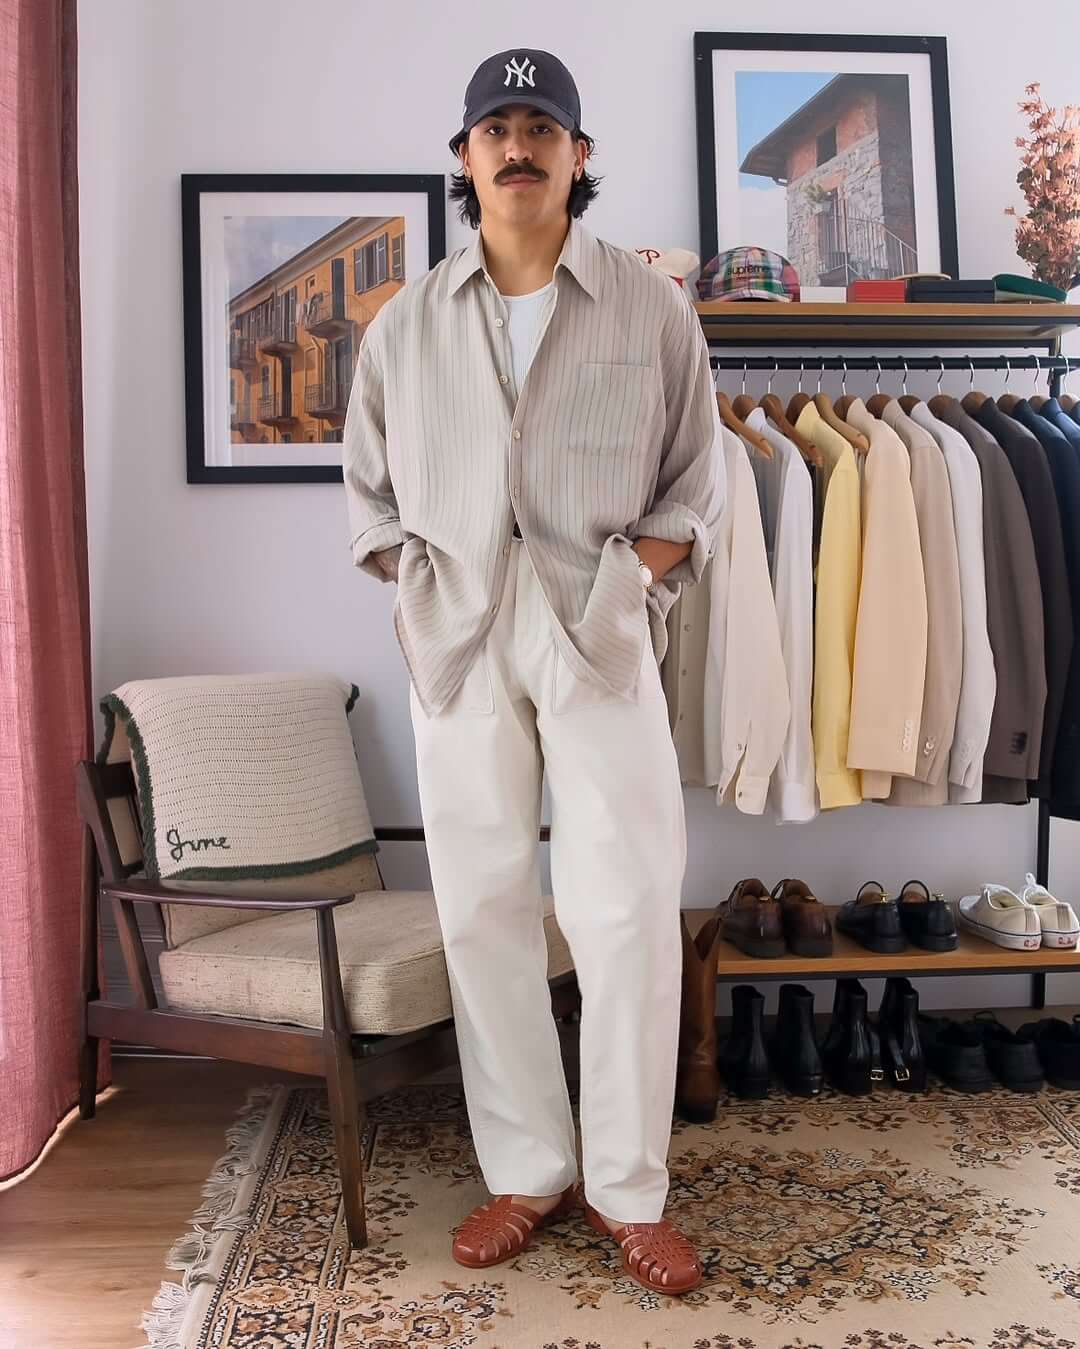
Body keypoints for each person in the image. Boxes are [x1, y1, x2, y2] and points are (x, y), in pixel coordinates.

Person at [342, 47, 724, 1296]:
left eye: (541, 127)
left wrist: (627, 588)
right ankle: (526, 1169)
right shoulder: (405, 324)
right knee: (482, 907)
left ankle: (630, 1187)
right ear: (465, 157)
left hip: (597, 632)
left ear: (580, 154)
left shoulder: (652, 309)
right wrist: (422, 583)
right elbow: (369, 493)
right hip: (460, 639)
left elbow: (695, 486)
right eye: (495, 128)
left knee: (624, 906)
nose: (518, 147)